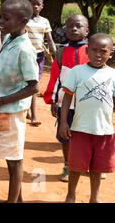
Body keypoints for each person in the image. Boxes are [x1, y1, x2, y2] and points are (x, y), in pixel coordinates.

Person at [0, 0, 39, 203]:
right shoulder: (9, 39)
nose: (0, 21)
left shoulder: (25, 49)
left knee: (14, 160)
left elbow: (34, 86)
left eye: (6, 18)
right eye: (0, 16)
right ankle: (19, 199)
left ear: (23, 21)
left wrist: (2, 100)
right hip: (2, 109)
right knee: (9, 156)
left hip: (12, 111)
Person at [59, 33, 114, 203]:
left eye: (103, 51)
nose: (98, 54)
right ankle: (71, 194)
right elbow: (67, 96)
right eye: (94, 50)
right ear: (87, 51)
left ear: (110, 53)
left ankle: (94, 197)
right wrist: (63, 122)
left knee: (97, 168)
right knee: (76, 165)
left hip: (104, 130)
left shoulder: (113, 74)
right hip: (80, 128)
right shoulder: (77, 71)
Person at [43, 14, 90, 182]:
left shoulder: (92, 51)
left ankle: (89, 163)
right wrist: (53, 100)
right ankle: (67, 164)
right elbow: (55, 78)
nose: (74, 29)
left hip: (88, 104)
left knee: (87, 135)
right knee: (65, 135)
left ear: (87, 30)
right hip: (66, 103)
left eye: (78, 26)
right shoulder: (61, 53)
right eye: (70, 26)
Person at [25, 0, 57, 126]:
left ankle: (29, 110)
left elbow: (49, 39)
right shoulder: (24, 20)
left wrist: (56, 55)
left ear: (42, 6)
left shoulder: (45, 21)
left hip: (39, 56)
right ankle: (33, 114)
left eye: (38, 4)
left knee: (34, 83)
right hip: (26, 55)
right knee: (30, 83)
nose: (35, 6)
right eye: (33, 3)